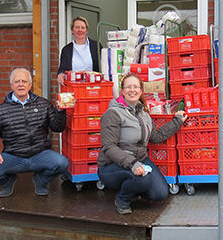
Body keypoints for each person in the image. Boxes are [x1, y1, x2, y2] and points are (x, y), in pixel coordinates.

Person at [97, 73, 187, 215]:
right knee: (142, 179)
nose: (132, 90)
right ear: (122, 91)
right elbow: (109, 147)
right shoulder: (113, 113)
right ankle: (122, 199)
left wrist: (177, 121)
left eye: (135, 87)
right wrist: (133, 164)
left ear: (141, 91)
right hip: (112, 166)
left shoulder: (144, 113)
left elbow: (156, 137)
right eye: (128, 87)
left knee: (160, 194)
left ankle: (133, 189)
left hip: (140, 160)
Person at [0, 68, 69, 198]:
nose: (20, 84)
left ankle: (40, 180)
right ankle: (8, 181)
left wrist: (60, 112)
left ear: (30, 85)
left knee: (62, 163)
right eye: (17, 82)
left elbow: (57, 128)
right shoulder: (0, 111)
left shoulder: (43, 104)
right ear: (11, 85)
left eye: (24, 81)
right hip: (13, 156)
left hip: (40, 154)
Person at [56, 16, 102, 85]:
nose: (80, 30)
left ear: (86, 31)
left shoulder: (96, 46)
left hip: (93, 87)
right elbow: (62, 68)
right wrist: (60, 75)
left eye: (83, 28)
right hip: (74, 87)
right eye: (77, 27)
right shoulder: (66, 49)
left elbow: (103, 66)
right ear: (72, 30)